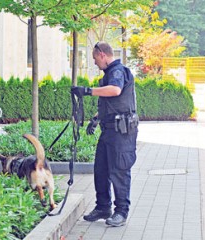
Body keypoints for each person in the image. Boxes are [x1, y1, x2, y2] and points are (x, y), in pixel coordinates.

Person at [70, 41, 138, 227]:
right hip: (109, 130)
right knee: (101, 170)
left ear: (102, 55)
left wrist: (87, 91)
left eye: (94, 58)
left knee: (119, 172)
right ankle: (103, 207)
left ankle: (121, 212)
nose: (94, 63)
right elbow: (114, 103)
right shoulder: (110, 73)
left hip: (121, 133)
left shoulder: (117, 71)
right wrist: (96, 118)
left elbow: (115, 91)